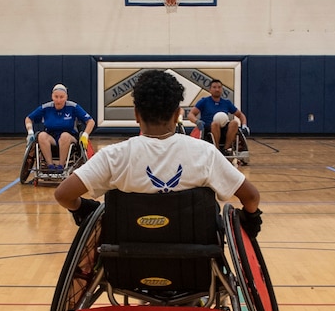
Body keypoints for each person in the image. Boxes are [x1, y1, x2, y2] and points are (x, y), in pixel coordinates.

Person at [54, 68, 262, 230]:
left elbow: (63, 194)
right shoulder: (205, 153)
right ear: (177, 114)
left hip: (126, 268)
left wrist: (84, 208)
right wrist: (250, 219)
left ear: (136, 114)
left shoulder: (113, 156)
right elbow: (251, 197)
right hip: (195, 268)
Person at [26, 83, 94, 173]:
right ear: (52, 96)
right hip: (52, 138)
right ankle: (50, 165)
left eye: (61, 97)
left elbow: (90, 121)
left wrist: (85, 135)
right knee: (41, 135)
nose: (58, 100)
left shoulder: (73, 107)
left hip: (70, 137)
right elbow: (28, 118)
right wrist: (30, 132)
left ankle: (61, 166)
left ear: (66, 97)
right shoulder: (45, 108)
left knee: (64, 136)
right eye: (56, 97)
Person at [192, 79, 246, 157]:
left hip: (224, 128)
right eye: (214, 87)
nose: (217, 89)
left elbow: (240, 115)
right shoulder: (204, 101)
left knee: (234, 123)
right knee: (215, 124)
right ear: (210, 89)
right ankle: (216, 149)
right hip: (209, 129)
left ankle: (225, 149)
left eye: (219, 87)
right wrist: (197, 121)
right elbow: (191, 114)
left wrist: (244, 124)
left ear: (222, 89)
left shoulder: (226, 102)